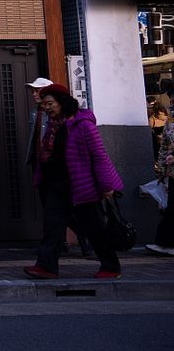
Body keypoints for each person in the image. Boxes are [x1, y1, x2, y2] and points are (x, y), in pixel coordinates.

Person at [25, 84, 124, 279]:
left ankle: (111, 266)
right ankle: (46, 266)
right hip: (57, 184)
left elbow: (99, 155)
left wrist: (106, 186)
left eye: (50, 103)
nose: (47, 107)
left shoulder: (83, 124)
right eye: (45, 104)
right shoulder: (53, 126)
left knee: (95, 227)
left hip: (82, 186)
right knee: (52, 226)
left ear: (62, 102)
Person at [26, 77, 93, 258]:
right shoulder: (35, 113)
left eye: (38, 90)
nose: (35, 94)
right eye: (33, 91)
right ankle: (57, 246)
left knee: (64, 208)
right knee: (50, 207)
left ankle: (85, 238)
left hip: (62, 169)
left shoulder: (66, 118)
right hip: (42, 166)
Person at [146, 116, 174, 256]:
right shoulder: (170, 121)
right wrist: (162, 170)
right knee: (171, 208)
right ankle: (165, 243)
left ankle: (165, 243)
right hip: (172, 173)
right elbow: (164, 146)